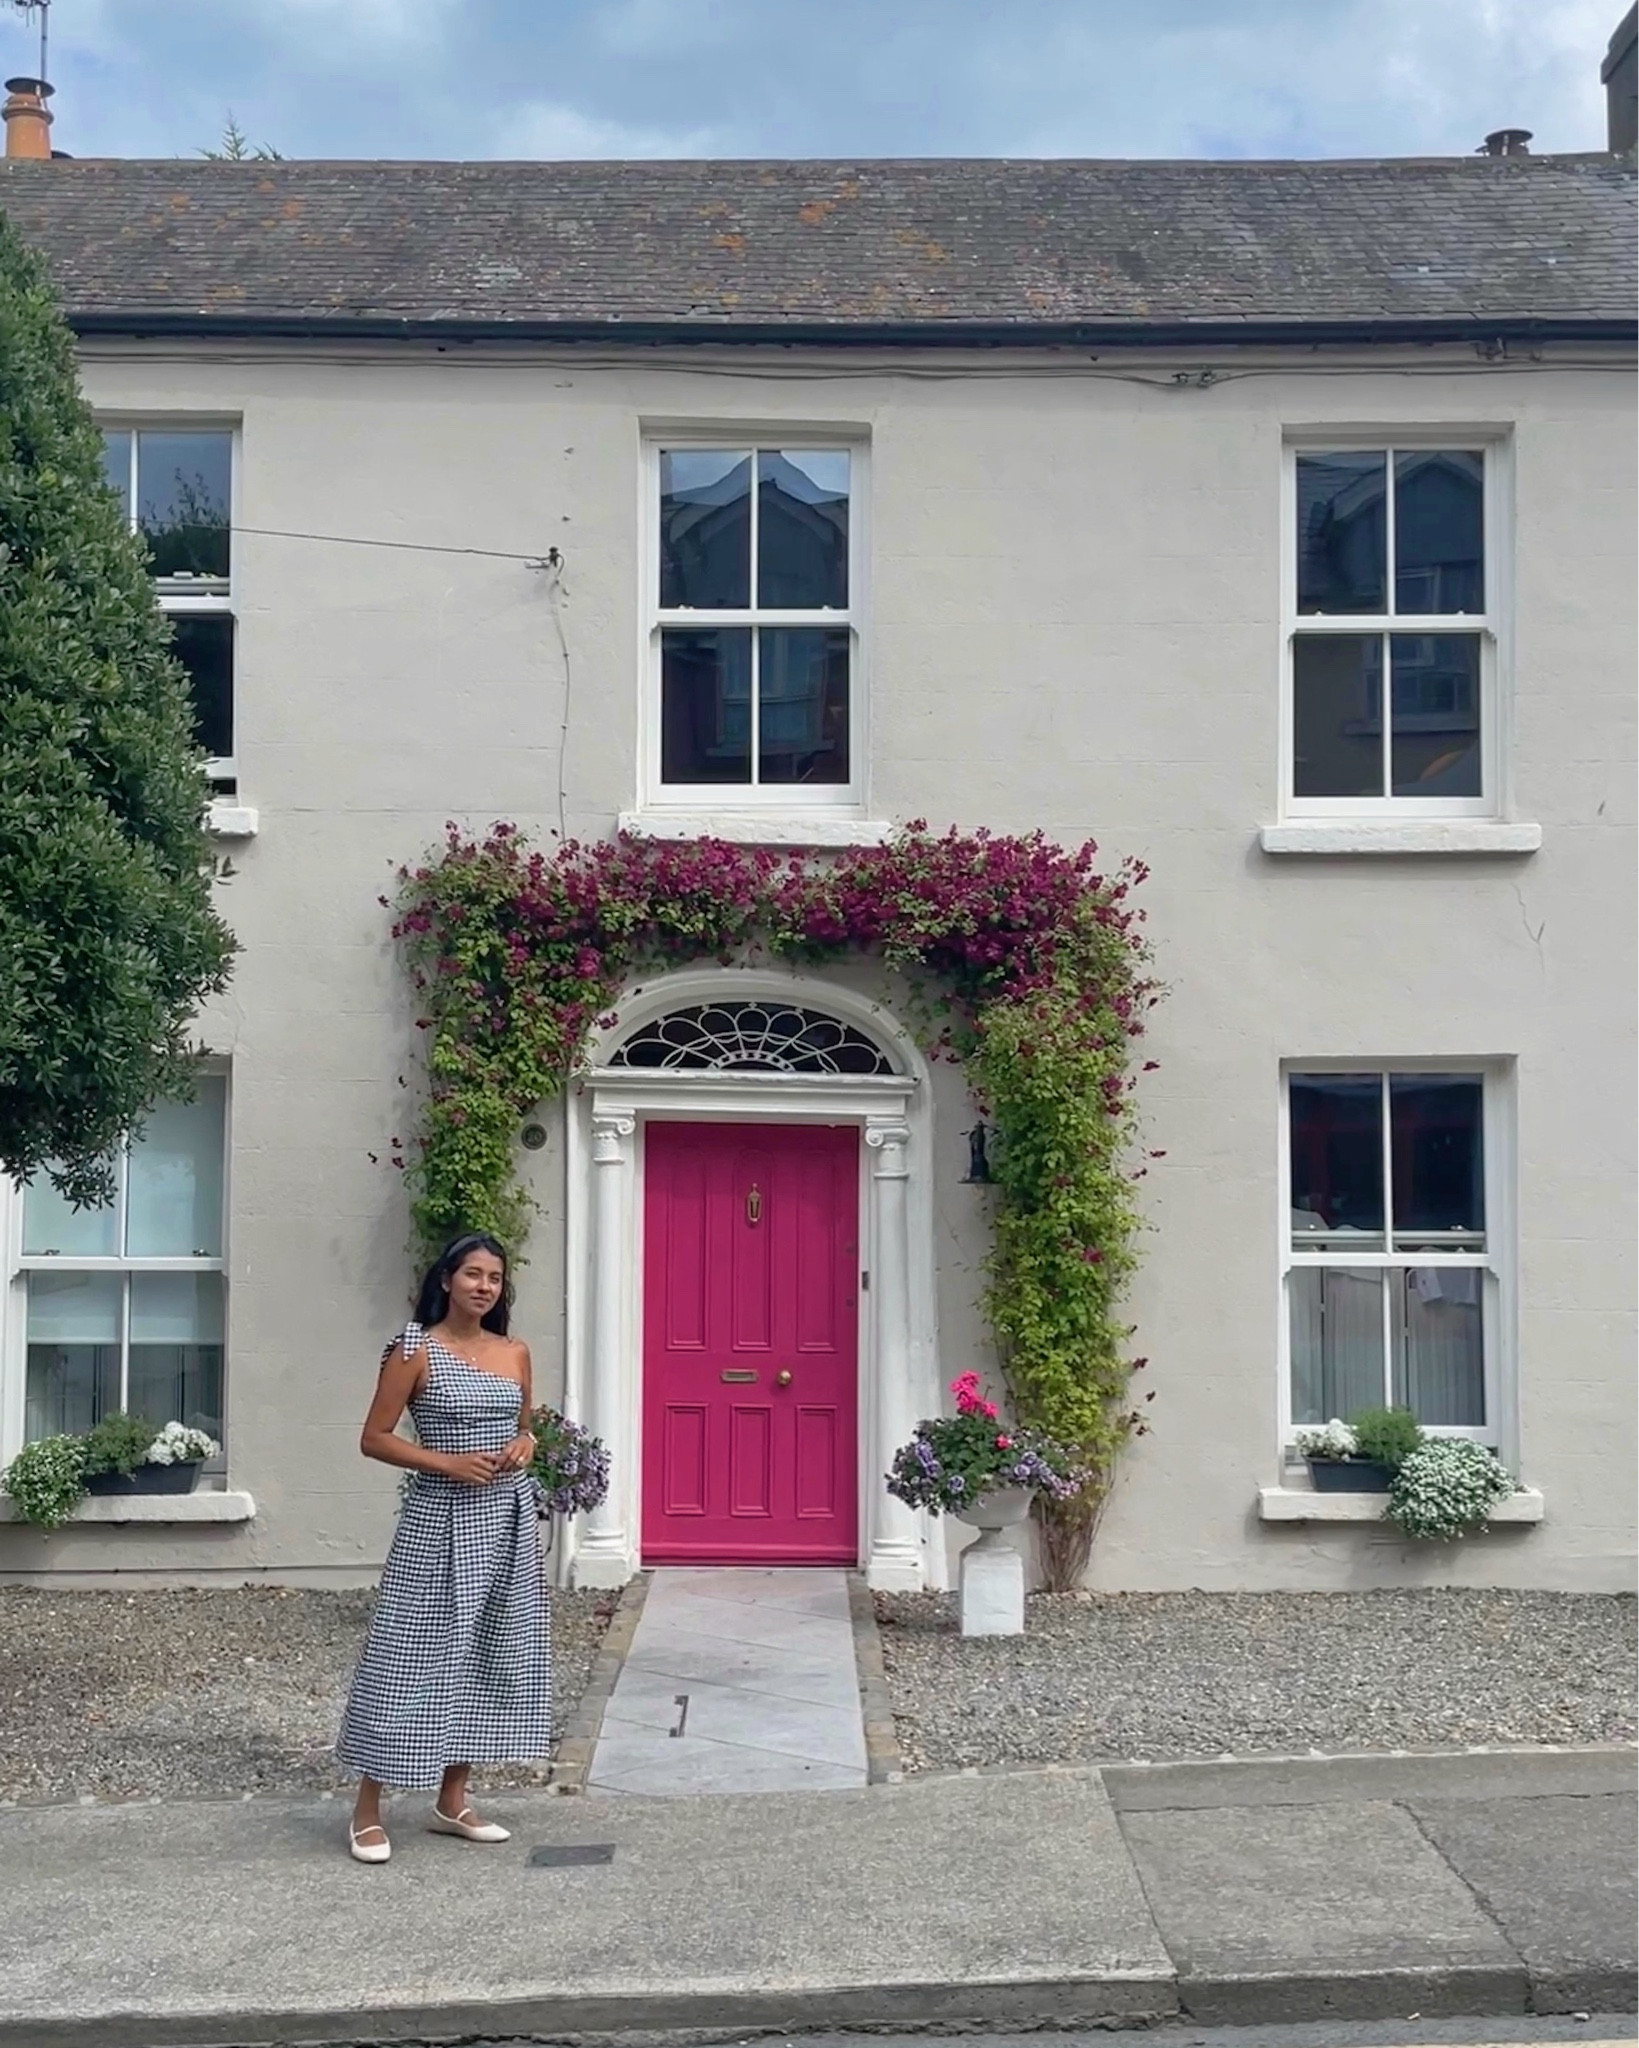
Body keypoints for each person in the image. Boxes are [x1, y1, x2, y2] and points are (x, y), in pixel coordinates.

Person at [335, 1231, 550, 1863]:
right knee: (409, 1654)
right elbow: (374, 1438)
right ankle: (367, 1807)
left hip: (506, 1522)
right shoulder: (413, 1349)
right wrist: (446, 1464)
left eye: (494, 1278)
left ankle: (453, 1797)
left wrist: (524, 1447)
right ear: (447, 1279)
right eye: (473, 1274)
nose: (484, 1286)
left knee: (486, 1649)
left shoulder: (515, 1351)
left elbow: (525, 1427)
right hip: (438, 1519)